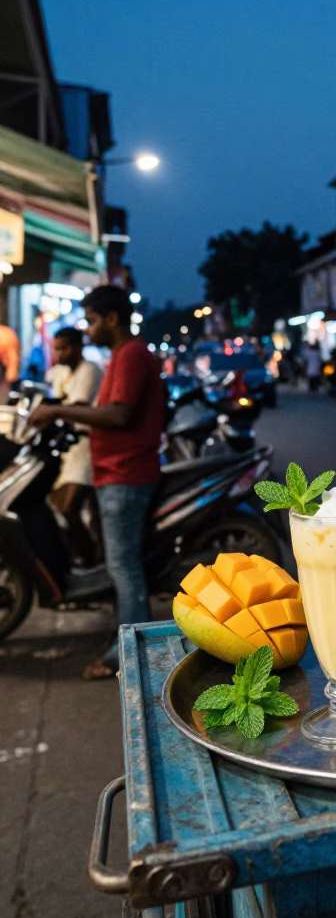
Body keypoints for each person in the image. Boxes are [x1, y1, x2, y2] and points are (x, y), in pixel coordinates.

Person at [31, 285, 165, 679]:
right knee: (119, 564)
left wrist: (60, 412)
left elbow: (119, 416)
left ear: (112, 319)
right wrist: (66, 410)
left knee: (124, 567)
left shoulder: (130, 355)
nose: (86, 331)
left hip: (126, 474)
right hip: (115, 472)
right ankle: (126, 644)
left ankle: (130, 656)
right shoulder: (121, 357)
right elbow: (106, 410)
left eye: (91, 321)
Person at [45, 326, 104, 566]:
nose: (60, 354)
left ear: (78, 347)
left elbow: (76, 406)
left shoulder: (90, 370)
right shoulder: (58, 372)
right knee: (56, 505)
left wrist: (53, 410)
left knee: (69, 507)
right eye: (57, 348)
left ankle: (90, 559)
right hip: (65, 447)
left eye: (64, 348)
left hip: (86, 447)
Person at [0, 322, 20, 403]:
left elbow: (13, 360)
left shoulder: (6, 334)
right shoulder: (7, 333)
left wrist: (10, 379)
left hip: (5, 375)